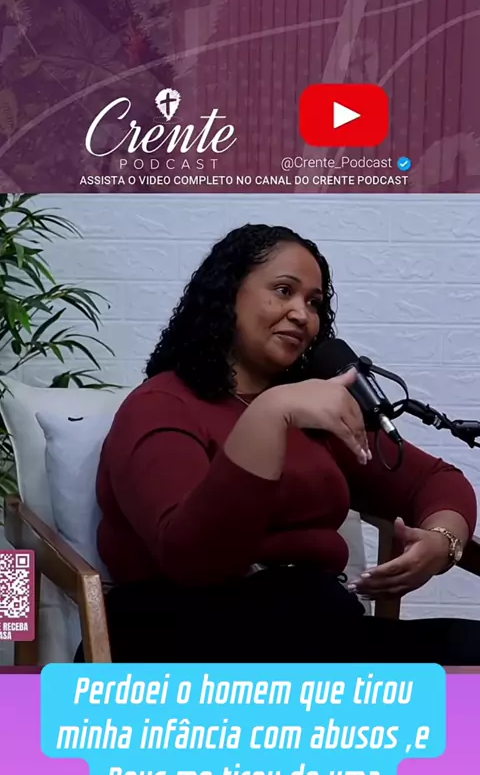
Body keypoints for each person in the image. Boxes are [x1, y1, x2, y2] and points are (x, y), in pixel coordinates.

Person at [92, 223, 480, 665]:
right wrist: (271, 414)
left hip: (317, 631)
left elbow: (434, 481)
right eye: (283, 291)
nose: (302, 314)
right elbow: (194, 561)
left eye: (314, 302)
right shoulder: (160, 406)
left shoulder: (312, 410)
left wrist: (442, 542)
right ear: (228, 294)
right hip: (191, 640)